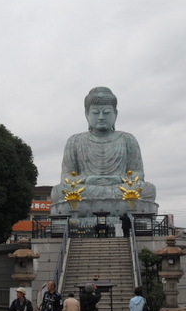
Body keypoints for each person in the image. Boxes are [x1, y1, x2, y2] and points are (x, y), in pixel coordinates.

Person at [50, 87, 158, 217]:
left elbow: (138, 173)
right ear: (87, 115)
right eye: (95, 112)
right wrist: (88, 180)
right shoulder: (75, 140)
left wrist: (117, 179)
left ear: (115, 114)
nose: (101, 117)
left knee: (148, 189)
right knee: (58, 191)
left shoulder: (127, 139)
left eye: (106, 112)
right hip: (87, 188)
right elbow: (66, 177)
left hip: (119, 188)